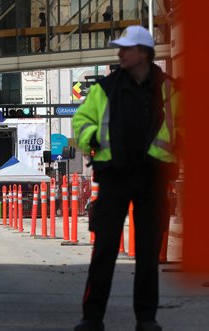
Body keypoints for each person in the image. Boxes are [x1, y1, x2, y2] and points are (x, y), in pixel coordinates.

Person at [72, 26, 180, 331]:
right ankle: (92, 318)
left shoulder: (169, 89)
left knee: (148, 252)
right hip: (114, 177)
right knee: (104, 249)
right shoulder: (104, 89)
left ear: (143, 53)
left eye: (126, 49)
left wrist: (176, 144)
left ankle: (147, 319)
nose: (120, 53)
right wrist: (93, 138)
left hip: (153, 176)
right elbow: (81, 121)